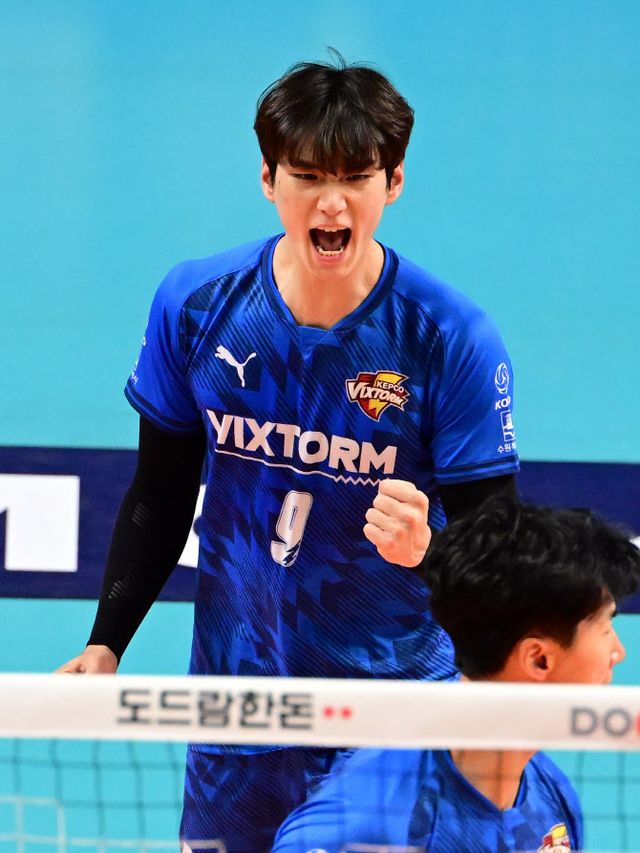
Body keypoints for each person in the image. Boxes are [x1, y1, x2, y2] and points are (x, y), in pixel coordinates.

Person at [58, 55, 520, 849]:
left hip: (390, 722)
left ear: (394, 182)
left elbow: (501, 550)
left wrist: (432, 550)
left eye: (356, 177)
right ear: (269, 179)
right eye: (307, 176)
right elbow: (160, 492)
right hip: (235, 717)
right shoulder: (197, 306)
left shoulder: (449, 339)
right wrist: (106, 642)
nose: (331, 203)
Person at [272, 495, 640, 853]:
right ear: (538, 659)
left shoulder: (551, 799)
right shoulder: (363, 827)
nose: (618, 652)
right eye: (606, 627)